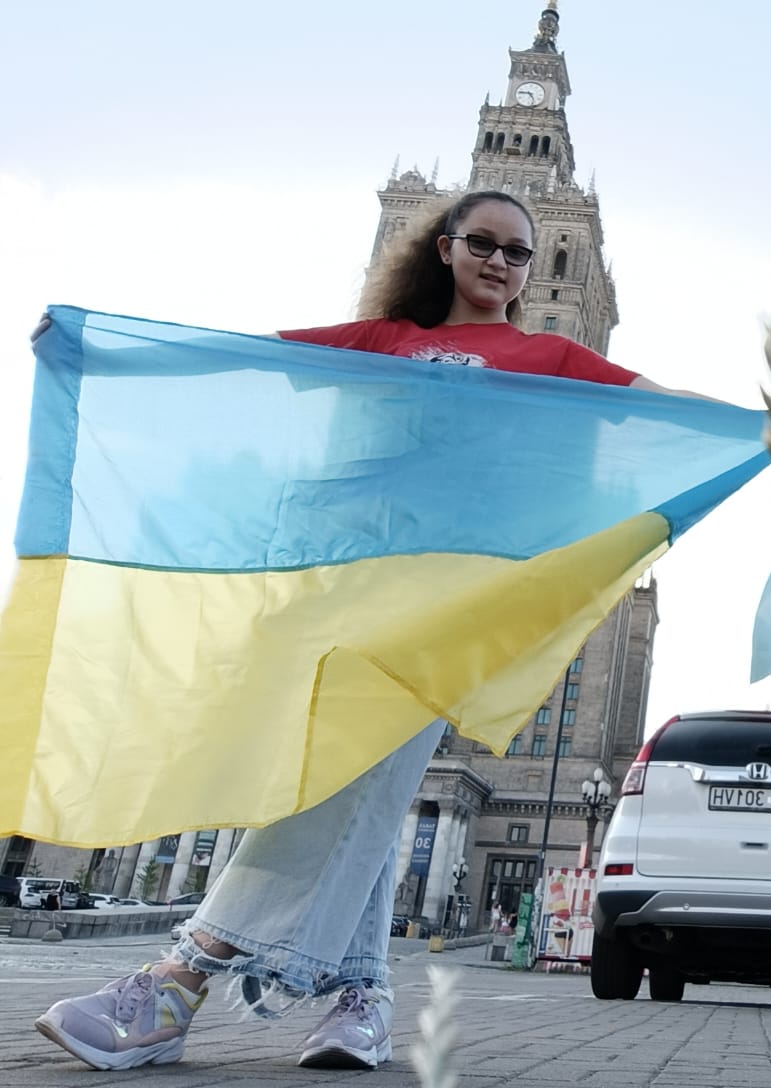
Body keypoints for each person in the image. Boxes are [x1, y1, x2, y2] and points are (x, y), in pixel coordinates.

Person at [32, 190, 710, 1072]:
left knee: (355, 781)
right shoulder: (381, 343)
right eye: (484, 243)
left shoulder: (548, 353)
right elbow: (236, 360)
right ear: (442, 247)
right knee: (360, 783)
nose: (501, 262)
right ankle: (362, 1000)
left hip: (450, 605)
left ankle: (178, 981)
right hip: (345, 590)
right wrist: (99, 348)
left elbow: (667, 406)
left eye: (519, 253)